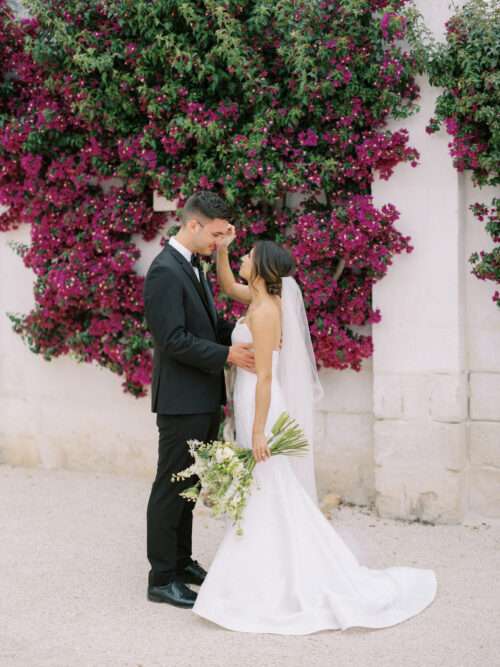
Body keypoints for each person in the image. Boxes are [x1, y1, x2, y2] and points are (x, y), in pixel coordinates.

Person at [191, 230, 438, 634]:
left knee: (269, 488)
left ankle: (268, 580)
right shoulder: (256, 299)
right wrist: (223, 248)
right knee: (264, 489)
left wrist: (257, 432)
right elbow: (225, 284)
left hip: (262, 405)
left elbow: (268, 377)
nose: (244, 260)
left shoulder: (266, 311)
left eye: (248, 255)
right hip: (250, 399)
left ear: (263, 267)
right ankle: (263, 572)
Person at [143, 191, 255, 609]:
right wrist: (228, 354)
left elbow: (206, 326)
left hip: (204, 396)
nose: (219, 243)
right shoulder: (164, 272)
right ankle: (161, 578)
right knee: (171, 487)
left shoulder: (194, 266)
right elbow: (172, 340)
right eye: (215, 234)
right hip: (180, 400)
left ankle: (183, 561)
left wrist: (243, 332)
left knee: (190, 485)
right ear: (193, 225)